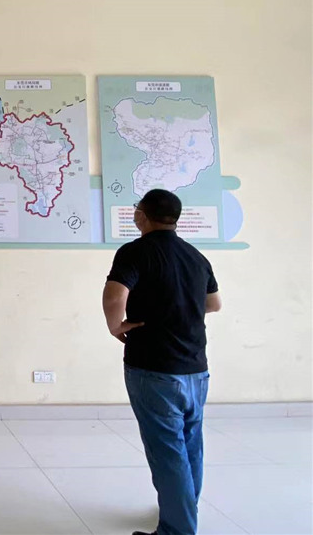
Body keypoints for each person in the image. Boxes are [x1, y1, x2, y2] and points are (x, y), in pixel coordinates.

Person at [102, 189, 222, 535]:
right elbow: (213, 304)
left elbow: (114, 296)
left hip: (153, 367)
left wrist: (115, 326)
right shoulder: (196, 256)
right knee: (190, 443)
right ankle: (183, 509)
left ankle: (177, 529)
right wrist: (178, 310)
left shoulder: (135, 251)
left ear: (142, 215)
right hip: (195, 368)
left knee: (167, 449)